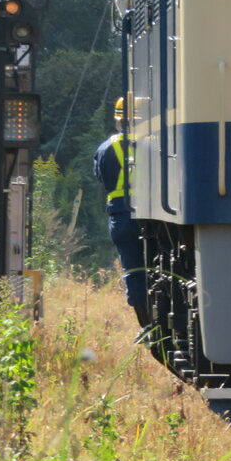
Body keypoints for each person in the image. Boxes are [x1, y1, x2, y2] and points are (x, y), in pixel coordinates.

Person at [95, 98, 149, 327]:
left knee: (134, 270)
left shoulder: (106, 148)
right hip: (153, 215)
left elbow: (101, 177)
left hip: (121, 215)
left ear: (118, 120)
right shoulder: (155, 144)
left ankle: (146, 325)